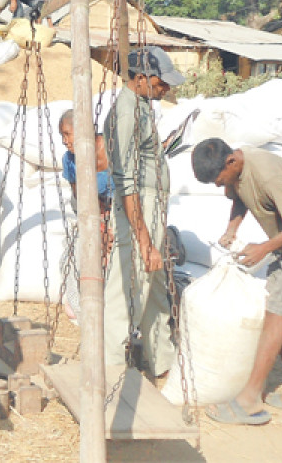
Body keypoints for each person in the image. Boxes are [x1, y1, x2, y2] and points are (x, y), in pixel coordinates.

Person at [191, 138, 282, 425]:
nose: (221, 188)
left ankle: (250, 399)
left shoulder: (266, 174)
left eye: (220, 181)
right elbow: (240, 196)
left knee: (277, 315)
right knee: (277, 313)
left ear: (231, 161)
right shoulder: (238, 169)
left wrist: (265, 247)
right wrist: (231, 229)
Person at [102, 45, 183, 376]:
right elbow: (126, 183)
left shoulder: (140, 108)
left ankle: (163, 363)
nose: (166, 89)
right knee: (128, 290)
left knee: (155, 290)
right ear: (140, 79)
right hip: (140, 208)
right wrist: (145, 242)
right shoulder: (126, 113)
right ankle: (108, 372)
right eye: (162, 82)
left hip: (150, 207)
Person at [58, 109, 114, 325]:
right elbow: (80, 199)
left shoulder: (112, 150)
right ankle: (86, 318)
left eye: (67, 134)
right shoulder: (69, 160)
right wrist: (97, 228)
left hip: (120, 215)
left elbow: (128, 195)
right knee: (68, 260)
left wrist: (109, 228)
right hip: (92, 217)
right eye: (62, 136)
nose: (65, 141)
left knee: (115, 262)